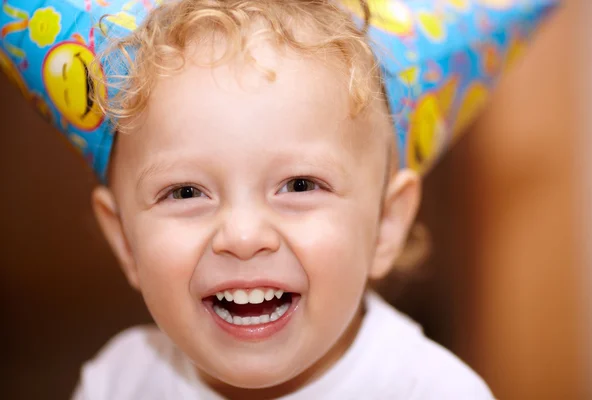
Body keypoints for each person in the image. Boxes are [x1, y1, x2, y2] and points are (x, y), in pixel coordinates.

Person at [70, 1, 502, 398]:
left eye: (299, 185)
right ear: (125, 239)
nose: (242, 235)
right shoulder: (118, 383)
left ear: (386, 223)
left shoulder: (430, 390)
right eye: (185, 192)